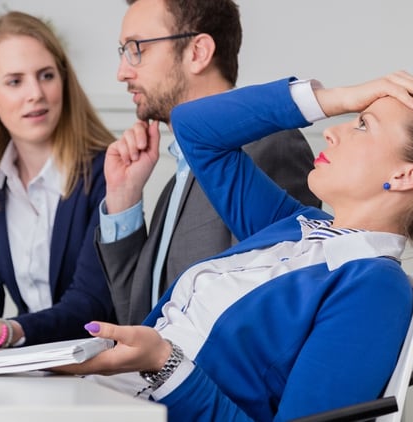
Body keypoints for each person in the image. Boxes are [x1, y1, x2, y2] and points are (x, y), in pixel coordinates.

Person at [56, 71, 413, 421]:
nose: (332, 130)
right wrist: (337, 97)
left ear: (403, 176)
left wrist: (164, 362)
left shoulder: (373, 289)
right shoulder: (295, 227)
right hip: (110, 397)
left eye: (361, 125)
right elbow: (195, 129)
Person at [98, 0, 320, 325]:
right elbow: (137, 316)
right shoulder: (177, 179)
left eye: (136, 49)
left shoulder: (268, 147)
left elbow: (267, 315)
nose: (122, 73)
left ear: (198, 52)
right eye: (123, 52)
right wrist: (123, 199)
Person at [0, 11, 117, 351]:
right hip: (32, 364)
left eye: (46, 75)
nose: (35, 93)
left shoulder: (106, 171)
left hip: (99, 366)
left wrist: (8, 331)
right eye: (15, 81)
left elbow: (91, 306)